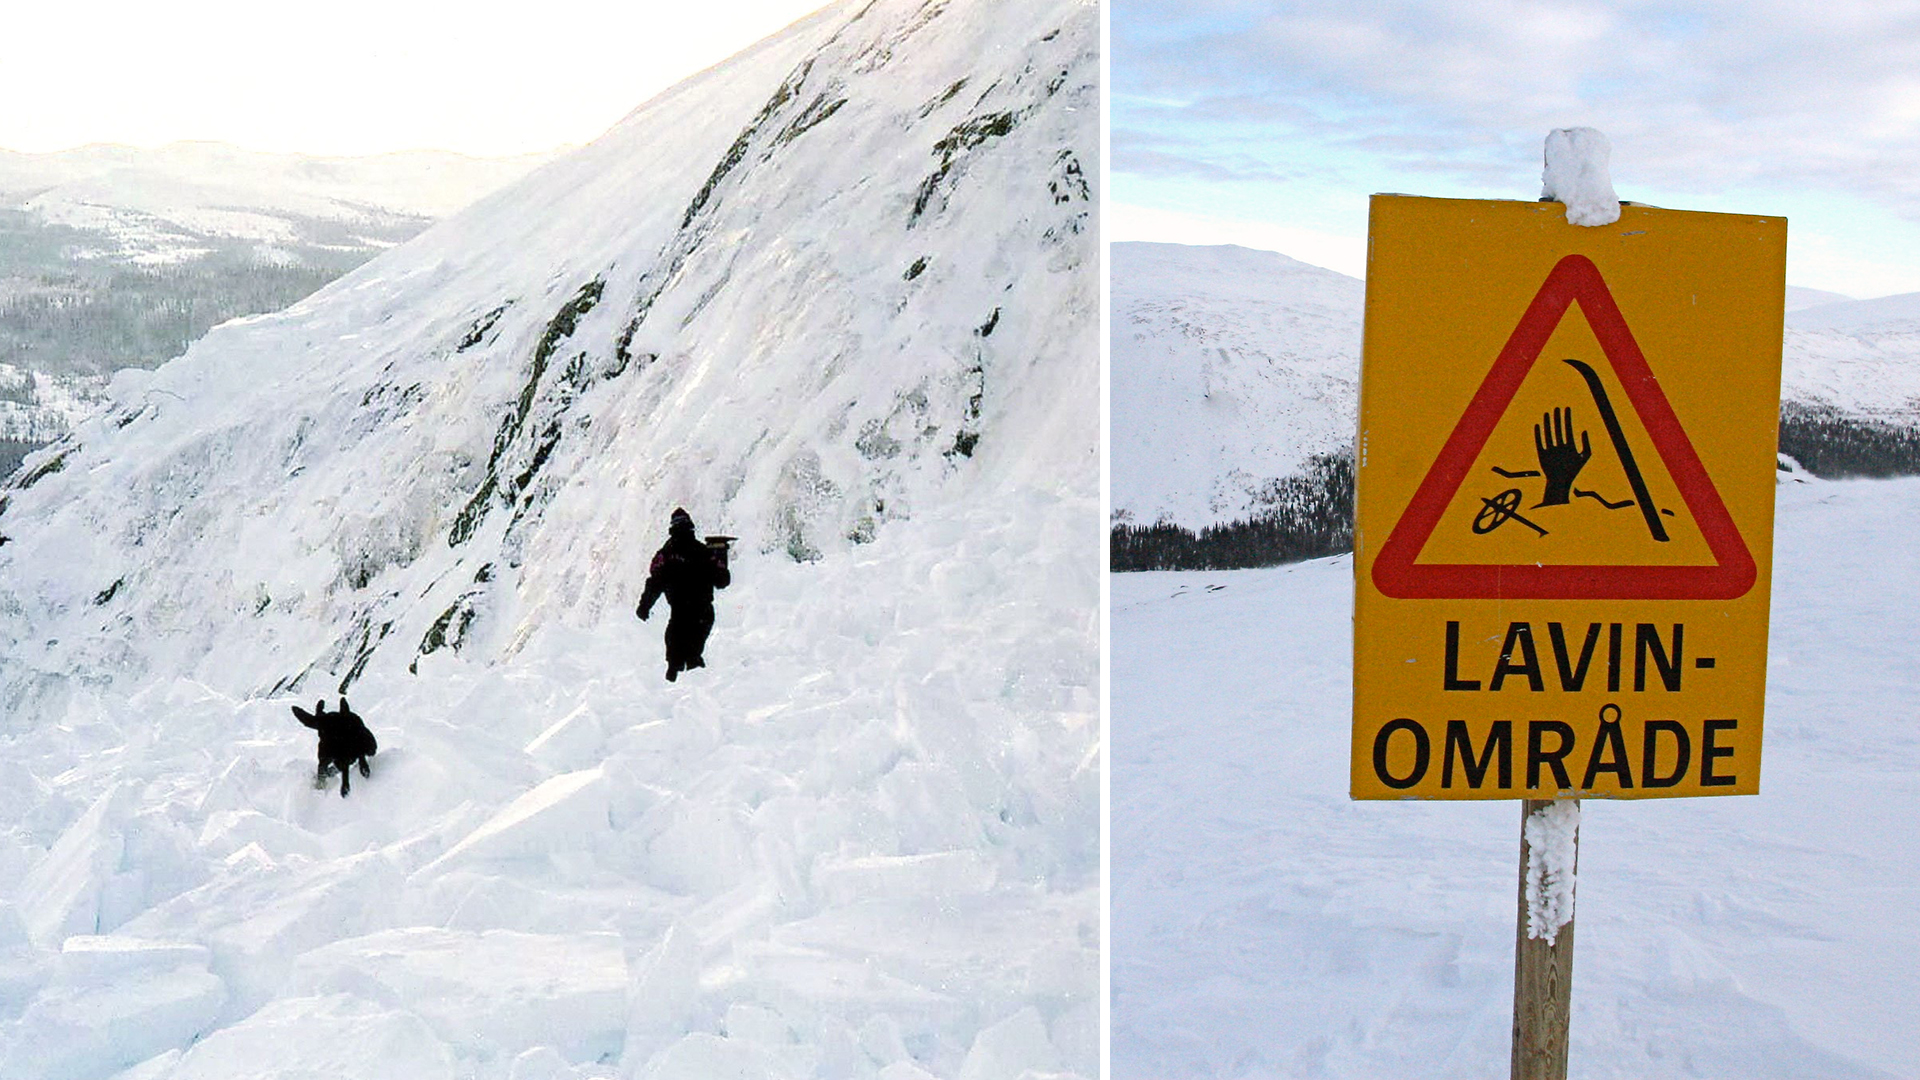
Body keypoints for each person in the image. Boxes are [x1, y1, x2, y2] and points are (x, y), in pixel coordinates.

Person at [637, 507, 731, 681]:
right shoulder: (703, 553)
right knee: (690, 656)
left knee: (676, 658)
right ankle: (692, 687)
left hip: (682, 614)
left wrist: (644, 606)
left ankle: (675, 688)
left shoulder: (665, 555)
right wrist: (720, 556)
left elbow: (654, 583)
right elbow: (723, 581)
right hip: (702, 612)